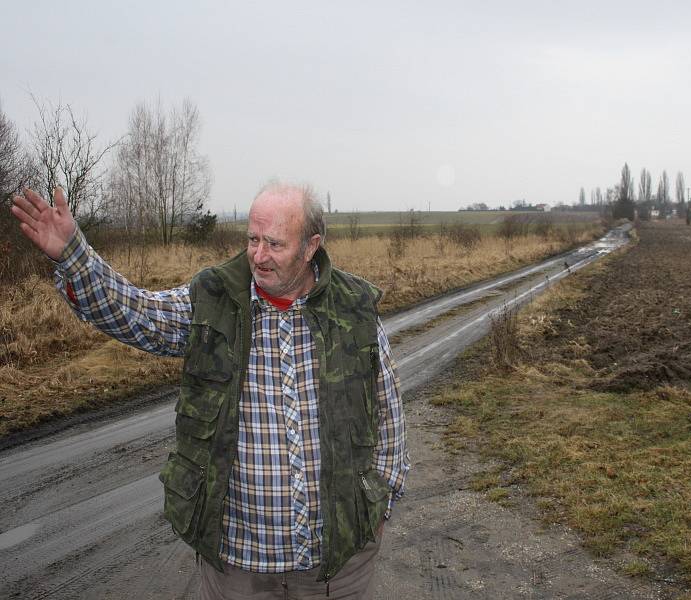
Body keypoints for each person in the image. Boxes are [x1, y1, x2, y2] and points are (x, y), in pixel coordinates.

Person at [11, 184, 409, 599]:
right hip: (239, 567)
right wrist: (75, 256)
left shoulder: (353, 307)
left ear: (311, 246)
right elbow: (138, 315)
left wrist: (381, 505)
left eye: (274, 243)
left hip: (339, 566)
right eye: (253, 239)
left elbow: (388, 413)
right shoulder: (214, 298)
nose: (258, 255)